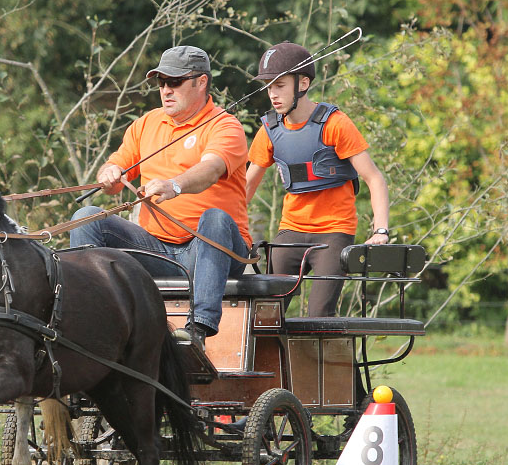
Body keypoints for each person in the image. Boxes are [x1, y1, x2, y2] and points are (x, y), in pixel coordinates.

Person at [68, 45, 251, 350]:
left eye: (175, 82)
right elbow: (117, 168)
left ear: (201, 82)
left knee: (215, 218)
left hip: (213, 251)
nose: (166, 90)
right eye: (161, 83)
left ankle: (197, 332)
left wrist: (174, 185)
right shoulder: (146, 124)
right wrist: (110, 172)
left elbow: (210, 169)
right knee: (86, 217)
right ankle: (88, 326)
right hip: (158, 251)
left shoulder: (225, 126)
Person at [245, 41, 390, 317]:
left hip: (333, 231)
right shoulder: (269, 130)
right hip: (291, 230)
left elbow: (374, 178)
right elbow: (247, 186)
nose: (272, 94)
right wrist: (233, 228)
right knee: (264, 316)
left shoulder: (335, 124)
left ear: (302, 84)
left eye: (280, 85)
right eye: (269, 87)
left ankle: (328, 359)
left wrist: (380, 230)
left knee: (318, 315)